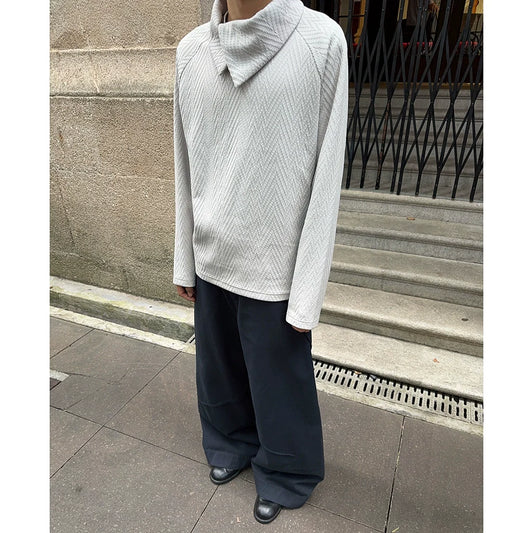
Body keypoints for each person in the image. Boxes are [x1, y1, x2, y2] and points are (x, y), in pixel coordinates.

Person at [173, 0, 348, 524]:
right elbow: (183, 162)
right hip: (212, 253)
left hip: (276, 263)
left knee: (280, 384)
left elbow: (327, 177)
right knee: (218, 372)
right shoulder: (190, 52)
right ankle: (228, 443)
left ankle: (287, 473)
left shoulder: (321, 42)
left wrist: (309, 289)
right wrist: (185, 258)